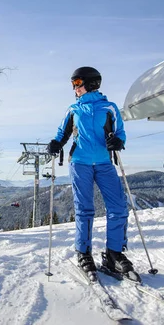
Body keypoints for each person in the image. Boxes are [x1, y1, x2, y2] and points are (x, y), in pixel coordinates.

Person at [47, 66, 135, 279]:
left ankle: (113, 254)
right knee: (85, 209)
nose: (74, 88)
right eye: (73, 84)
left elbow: (121, 133)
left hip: (105, 163)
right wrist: (56, 143)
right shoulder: (73, 109)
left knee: (118, 207)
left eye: (77, 83)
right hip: (80, 163)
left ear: (91, 83)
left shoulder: (110, 108)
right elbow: (63, 132)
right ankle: (84, 252)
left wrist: (118, 141)